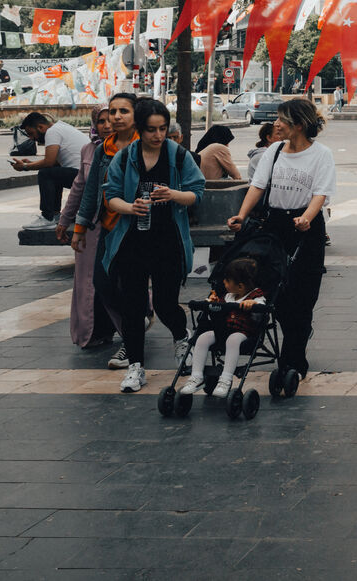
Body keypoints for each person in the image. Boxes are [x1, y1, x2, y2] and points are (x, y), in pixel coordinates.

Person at [101, 99, 206, 393]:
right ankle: (136, 366)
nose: (158, 135)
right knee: (133, 307)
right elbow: (110, 196)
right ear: (139, 128)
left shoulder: (179, 156)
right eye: (151, 130)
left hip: (168, 241)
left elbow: (197, 193)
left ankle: (181, 336)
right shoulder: (125, 157)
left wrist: (173, 194)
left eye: (162, 128)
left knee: (165, 303)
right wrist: (129, 207)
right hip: (132, 242)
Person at [227, 98, 335, 380]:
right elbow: (257, 186)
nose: (275, 124)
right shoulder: (274, 151)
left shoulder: (321, 155)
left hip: (306, 229)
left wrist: (306, 218)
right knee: (276, 295)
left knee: (303, 296)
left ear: (298, 125)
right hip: (274, 226)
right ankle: (289, 344)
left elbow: (320, 193)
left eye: (281, 120)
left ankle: (294, 362)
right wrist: (241, 216)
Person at [70, 92, 141, 368]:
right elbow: (89, 191)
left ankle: (134, 344)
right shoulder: (102, 150)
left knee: (136, 287)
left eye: (124, 111)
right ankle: (133, 331)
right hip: (109, 228)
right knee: (103, 282)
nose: (115, 118)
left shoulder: (146, 145)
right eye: (113, 112)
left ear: (136, 115)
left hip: (138, 228)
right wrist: (79, 228)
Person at [56, 105, 111, 348]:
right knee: (88, 281)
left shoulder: (130, 148)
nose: (107, 125)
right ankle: (92, 331)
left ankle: (138, 318)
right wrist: (66, 220)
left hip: (119, 225)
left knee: (115, 279)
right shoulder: (89, 150)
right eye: (101, 121)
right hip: (91, 226)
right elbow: (80, 188)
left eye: (111, 120)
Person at [179, 255, 269, 398]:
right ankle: (196, 376)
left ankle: (225, 379)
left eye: (227, 280)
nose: (224, 282)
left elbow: (262, 309)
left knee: (233, 340)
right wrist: (213, 303)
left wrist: (253, 304)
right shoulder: (228, 296)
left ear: (240, 286)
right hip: (222, 330)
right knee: (202, 338)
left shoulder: (256, 297)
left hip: (243, 332)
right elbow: (218, 310)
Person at [12, 111, 89, 229]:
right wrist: (31, 163)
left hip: (84, 176)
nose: (32, 139)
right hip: (87, 175)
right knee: (53, 171)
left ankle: (47, 217)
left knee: (45, 174)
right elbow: (55, 162)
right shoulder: (60, 127)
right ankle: (55, 214)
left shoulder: (52, 132)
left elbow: (49, 162)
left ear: (40, 127)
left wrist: (25, 167)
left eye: (31, 134)